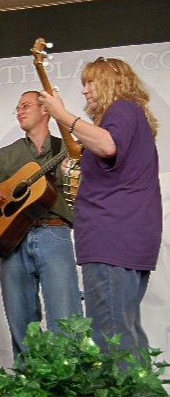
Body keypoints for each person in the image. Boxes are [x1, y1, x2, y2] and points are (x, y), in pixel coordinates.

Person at [39, 57, 162, 356]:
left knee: (110, 340)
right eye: (83, 83)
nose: (84, 91)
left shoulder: (122, 108)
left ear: (111, 82)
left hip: (111, 239)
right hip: (126, 239)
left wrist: (61, 113)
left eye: (90, 82)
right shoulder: (134, 116)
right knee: (125, 336)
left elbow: (108, 146)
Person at [0, 91, 82, 361]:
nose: (19, 111)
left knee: (66, 318)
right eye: (16, 108)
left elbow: (90, 189)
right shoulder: (8, 154)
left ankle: (70, 383)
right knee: (20, 321)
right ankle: (27, 382)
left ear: (45, 110)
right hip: (12, 239)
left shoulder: (67, 148)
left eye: (25, 106)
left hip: (55, 232)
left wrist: (72, 169)